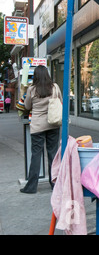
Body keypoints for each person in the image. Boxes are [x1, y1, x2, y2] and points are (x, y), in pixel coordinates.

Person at [21, 65, 62, 194]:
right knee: (53, 154)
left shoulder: (32, 89)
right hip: (53, 123)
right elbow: (60, 101)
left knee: (36, 155)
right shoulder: (55, 87)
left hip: (38, 125)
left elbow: (27, 106)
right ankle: (54, 184)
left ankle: (31, 186)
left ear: (35, 76)